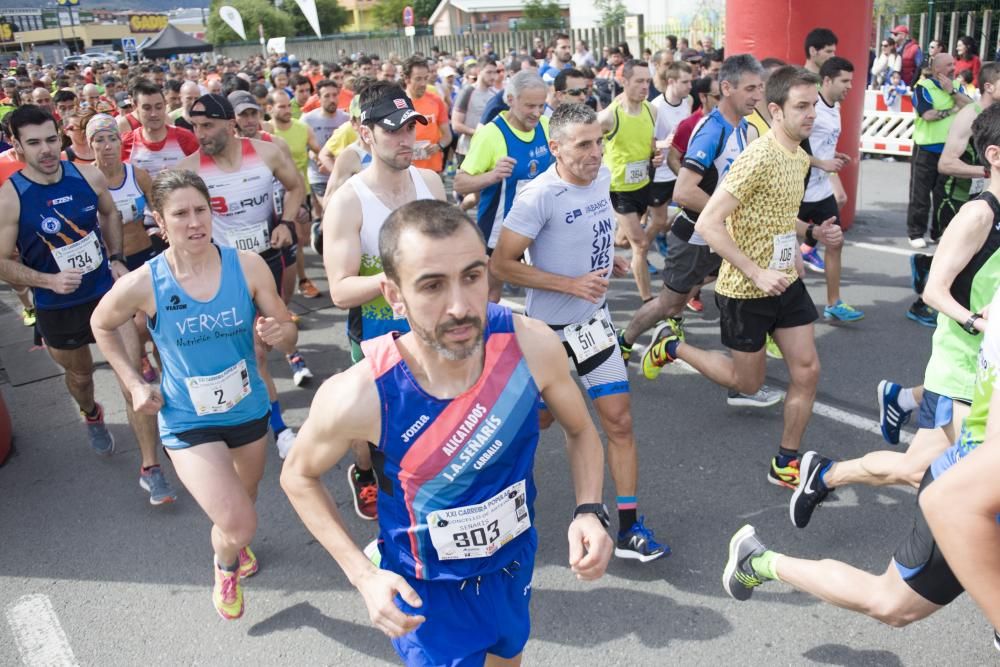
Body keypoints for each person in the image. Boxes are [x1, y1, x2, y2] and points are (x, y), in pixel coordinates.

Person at [281, 199, 613, 664]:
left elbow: (580, 432)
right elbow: (297, 476)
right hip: (426, 592)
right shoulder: (361, 394)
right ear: (394, 295)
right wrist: (362, 575)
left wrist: (588, 510)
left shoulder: (531, 345)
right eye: (432, 285)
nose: (460, 306)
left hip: (512, 564)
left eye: (473, 277)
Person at [91, 169, 297, 621]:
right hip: (188, 419)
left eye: (200, 210)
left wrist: (280, 332)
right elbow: (101, 323)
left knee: (243, 504)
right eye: (180, 214)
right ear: (160, 223)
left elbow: (287, 336)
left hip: (247, 410)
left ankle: (233, 545)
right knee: (239, 521)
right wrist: (133, 382)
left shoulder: (247, 266)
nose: (194, 222)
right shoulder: (147, 282)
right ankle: (225, 565)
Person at [642, 66, 843, 489]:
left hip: (785, 281)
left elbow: (779, 212)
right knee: (746, 382)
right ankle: (672, 345)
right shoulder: (759, 156)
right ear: (775, 110)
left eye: (813, 106)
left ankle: (785, 461)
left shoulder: (800, 155)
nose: (811, 115)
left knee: (807, 371)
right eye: (801, 107)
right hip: (745, 288)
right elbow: (710, 223)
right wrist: (755, 270)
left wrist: (812, 233)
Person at [493, 102, 670, 562]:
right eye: (584, 144)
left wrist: (602, 257)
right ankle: (502, 508)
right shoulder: (538, 196)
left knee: (619, 420)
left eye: (599, 142)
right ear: (555, 147)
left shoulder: (602, 178)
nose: (595, 153)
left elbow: (592, 227)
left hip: (592, 324)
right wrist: (568, 283)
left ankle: (629, 526)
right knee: (539, 424)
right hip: (546, 335)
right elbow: (502, 264)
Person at [0, 105, 173, 505]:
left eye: (50, 139)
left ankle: (151, 468)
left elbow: (109, 212)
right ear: (16, 146)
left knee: (133, 378)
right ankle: (91, 412)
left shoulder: (87, 175)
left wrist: (115, 257)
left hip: (104, 295)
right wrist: (47, 280)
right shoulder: (11, 197)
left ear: (60, 135)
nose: (45, 150)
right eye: (33, 143)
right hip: (57, 306)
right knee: (79, 377)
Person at [620, 57, 783, 409]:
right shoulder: (713, 130)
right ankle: (625, 339)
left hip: (720, 238)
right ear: (727, 88)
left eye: (760, 87)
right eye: (751, 88)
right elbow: (683, 192)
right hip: (695, 238)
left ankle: (742, 381)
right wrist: (725, 214)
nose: (758, 95)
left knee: (743, 297)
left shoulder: (743, 126)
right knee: (668, 304)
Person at [323, 81, 445, 521]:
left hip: (433, 334)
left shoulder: (430, 181)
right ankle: (363, 472)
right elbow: (339, 290)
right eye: (393, 130)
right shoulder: (348, 202)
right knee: (373, 434)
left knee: (433, 433)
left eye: (410, 128)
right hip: (378, 338)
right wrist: (393, 281)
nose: (405, 139)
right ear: (364, 133)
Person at [175, 94, 308, 458]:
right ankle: (278, 429)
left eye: (207, 126)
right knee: (256, 353)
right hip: (224, 270)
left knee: (267, 344)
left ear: (230, 123)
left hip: (268, 260)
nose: (199, 134)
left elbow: (296, 187)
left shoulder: (266, 153)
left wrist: (285, 222)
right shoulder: (190, 169)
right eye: (195, 127)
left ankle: (261, 415)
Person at [455, 71, 553, 300]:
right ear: (511, 100)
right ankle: (487, 336)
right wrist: (492, 176)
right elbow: (460, 183)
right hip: (500, 229)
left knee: (545, 289)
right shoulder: (491, 134)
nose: (537, 113)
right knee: (491, 294)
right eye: (530, 106)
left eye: (541, 106)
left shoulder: (547, 125)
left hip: (540, 223)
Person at [83, 110, 161, 382]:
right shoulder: (86, 181)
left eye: (112, 139)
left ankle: (162, 358)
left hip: (143, 253)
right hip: (111, 264)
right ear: (90, 145)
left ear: (120, 142)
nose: (107, 146)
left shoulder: (137, 176)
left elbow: (158, 208)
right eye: (99, 140)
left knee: (153, 318)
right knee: (133, 324)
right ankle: (138, 354)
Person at [797, 56, 863, 321]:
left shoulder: (834, 106)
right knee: (781, 252)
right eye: (844, 81)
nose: (849, 86)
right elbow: (792, 149)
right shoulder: (811, 110)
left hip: (821, 190)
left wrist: (833, 155)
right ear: (827, 80)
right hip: (799, 191)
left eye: (851, 81)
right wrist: (823, 162)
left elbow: (819, 144)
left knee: (836, 242)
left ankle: (833, 302)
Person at [598, 59, 660, 302]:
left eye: (648, 81)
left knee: (623, 240)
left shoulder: (651, 110)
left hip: (642, 185)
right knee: (641, 244)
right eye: (639, 81)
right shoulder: (609, 117)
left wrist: (655, 156)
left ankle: (607, 240)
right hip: (618, 189)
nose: (645, 86)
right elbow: (584, 139)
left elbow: (649, 145)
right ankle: (648, 301)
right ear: (624, 82)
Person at [907, 53, 973, 249]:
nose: (953, 68)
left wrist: (952, 93)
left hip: (951, 150)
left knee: (943, 194)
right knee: (920, 193)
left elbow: (971, 108)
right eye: (948, 65)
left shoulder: (957, 88)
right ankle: (916, 232)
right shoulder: (923, 88)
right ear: (937, 70)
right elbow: (927, 114)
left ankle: (938, 231)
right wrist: (952, 110)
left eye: (954, 64)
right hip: (926, 148)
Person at [270, 89, 324, 300]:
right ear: (270, 108)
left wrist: (321, 158)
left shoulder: (302, 128)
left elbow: (318, 150)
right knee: (284, 241)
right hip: (273, 196)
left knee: (300, 239)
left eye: (287, 106)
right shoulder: (267, 131)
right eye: (281, 106)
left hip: (300, 191)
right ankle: (291, 283)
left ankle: (299, 280)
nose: (286, 110)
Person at [648, 61, 693, 255]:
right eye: (685, 82)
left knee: (691, 209)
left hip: (679, 169)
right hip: (660, 173)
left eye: (691, 81)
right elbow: (645, 142)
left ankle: (659, 236)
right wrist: (662, 143)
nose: (690, 86)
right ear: (671, 82)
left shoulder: (688, 101)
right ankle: (642, 248)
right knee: (658, 220)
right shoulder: (655, 107)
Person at [121, 79, 199, 178]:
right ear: (135, 107)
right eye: (147, 108)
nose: (154, 114)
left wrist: (178, 178)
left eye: (158, 107)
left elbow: (204, 175)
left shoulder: (186, 138)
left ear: (165, 106)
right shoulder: (125, 143)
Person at [302, 79, 349, 227]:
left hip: (342, 175)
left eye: (335, 95)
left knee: (339, 214)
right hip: (319, 176)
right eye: (327, 96)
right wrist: (314, 156)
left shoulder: (346, 119)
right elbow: (302, 147)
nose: (332, 99)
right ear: (318, 98)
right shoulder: (308, 120)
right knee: (332, 211)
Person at [401, 56, 451, 176]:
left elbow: (447, 136)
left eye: (425, 78)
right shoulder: (398, 103)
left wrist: (438, 146)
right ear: (406, 79)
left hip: (432, 170)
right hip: (405, 170)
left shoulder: (436, 101)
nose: (423, 83)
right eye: (418, 79)